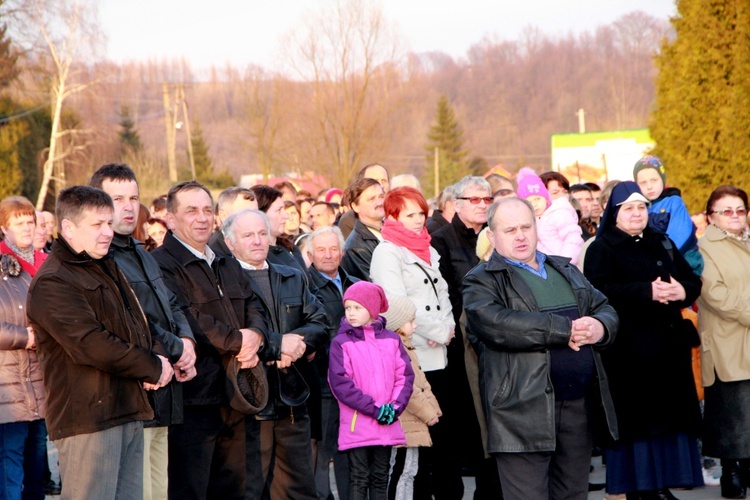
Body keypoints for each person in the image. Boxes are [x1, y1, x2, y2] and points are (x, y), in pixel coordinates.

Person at [463, 196, 619, 500]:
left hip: (577, 406)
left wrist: (599, 328)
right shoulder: (481, 280)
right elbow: (497, 325)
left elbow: (604, 307)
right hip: (521, 412)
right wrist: (565, 329)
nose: (520, 235)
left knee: (573, 495)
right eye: (510, 230)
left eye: (526, 227)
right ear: (492, 237)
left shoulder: (565, 270)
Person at [27, 185, 174, 499]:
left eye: (109, 223)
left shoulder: (107, 265)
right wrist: (151, 366)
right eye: (97, 225)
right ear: (68, 228)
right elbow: (91, 344)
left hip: (128, 407)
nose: (108, 232)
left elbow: (140, 322)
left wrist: (159, 355)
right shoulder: (54, 280)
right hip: (88, 420)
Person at [584, 181, 704, 498]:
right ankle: (641, 489)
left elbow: (691, 279)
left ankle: (663, 484)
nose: (637, 213)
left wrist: (683, 291)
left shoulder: (660, 240)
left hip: (668, 348)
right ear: (615, 213)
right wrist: (645, 291)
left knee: (668, 421)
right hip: (628, 353)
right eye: (629, 208)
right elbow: (598, 293)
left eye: (641, 207)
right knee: (638, 425)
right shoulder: (602, 248)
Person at [151, 180, 268, 499]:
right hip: (194, 399)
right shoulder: (161, 264)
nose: (202, 218)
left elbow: (255, 303)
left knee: (236, 488)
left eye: (207, 210)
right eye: (191, 211)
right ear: (171, 219)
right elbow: (186, 318)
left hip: (237, 393)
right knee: (191, 488)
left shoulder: (224, 260)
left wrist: (256, 335)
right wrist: (238, 341)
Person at [90, 164, 198, 500]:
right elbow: (131, 323)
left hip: (164, 391)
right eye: (117, 197)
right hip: (135, 389)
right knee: (140, 491)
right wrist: (172, 351)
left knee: (159, 489)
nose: (127, 206)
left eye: (133, 198)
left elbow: (171, 304)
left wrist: (187, 342)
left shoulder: (142, 252)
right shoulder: (100, 258)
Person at [223, 209, 327, 499]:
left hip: (293, 400)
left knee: (298, 488)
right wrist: (277, 345)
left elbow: (320, 322)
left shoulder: (292, 276)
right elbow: (232, 335)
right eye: (247, 235)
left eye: (261, 233)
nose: (257, 241)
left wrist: (298, 345)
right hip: (250, 403)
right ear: (230, 243)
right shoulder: (223, 282)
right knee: (251, 489)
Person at [430, 175, 496, 499]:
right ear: (456, 204)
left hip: (492, 347)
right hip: (456, 349)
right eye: (475, 199)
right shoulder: (440, 240)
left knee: (489, 428)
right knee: (454, 429)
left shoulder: (496, 237)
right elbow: (445, 294)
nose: (483, 204)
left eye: (487, 199)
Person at [328, 281, 414, 499]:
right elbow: (340, 383)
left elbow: (404, 377)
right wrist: (375, 409)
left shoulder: (392, 340)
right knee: (359, 476)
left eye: (357, 307)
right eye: (348, 308)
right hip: (359, 422)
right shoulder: (341, 342)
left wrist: (393, 408)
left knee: (380, 475)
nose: (351, 313)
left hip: (386, 421)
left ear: (373, 309)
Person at [697, 185, 750, 498]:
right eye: (725, 210)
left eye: (739, 209)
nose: (734, 216)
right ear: (710, 216)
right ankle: (731, 471)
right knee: (732, 411)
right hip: (726, 341)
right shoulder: (703, 247)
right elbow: (714, 294)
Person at [0, 197, 47, 500]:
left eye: (30, 221)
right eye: (19, 223)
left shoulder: (47, 264)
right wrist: (26, 337)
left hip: (42, 383)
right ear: (4, 228)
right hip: (8, 386)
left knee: (38, 468)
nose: (27, 228)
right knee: (10, 466)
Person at [307, 226, 358, 500]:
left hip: (355, 383)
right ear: (310, 254)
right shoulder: (305, 285)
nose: (328, 255)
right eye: (321, 250)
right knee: (322, 446)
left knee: (348, 447)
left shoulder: (356, 284)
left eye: (333, 249)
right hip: (323, 379)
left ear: (343, 252)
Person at [382, 295, 442, 500]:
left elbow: (423, 383)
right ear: (398, 324)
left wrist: (434, 409)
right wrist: (429, 413)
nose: (415, 325)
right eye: (411, 321)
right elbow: (410, 390)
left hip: (412, 422)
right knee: (402, 472)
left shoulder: (406, 347)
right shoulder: (396, 349)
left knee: (409, 472)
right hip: (405, 423)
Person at [633, 155, 703, 274]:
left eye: (654, 180)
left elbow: (678, 238)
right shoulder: (640, 208)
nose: (649, 186)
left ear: (663, 179)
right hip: (657, 270)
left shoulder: (674, 202)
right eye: (643, 183)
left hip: (684, 267)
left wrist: (655, 263)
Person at [516, 167, 583, 265]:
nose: (534, 204)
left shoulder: (559, 213)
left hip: (565, 267)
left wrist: (565, 263)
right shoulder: (529, 220)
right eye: (529, 201)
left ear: (546, 198)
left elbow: (573, 239)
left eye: (537, 199)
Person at [340, 178, 385, 281]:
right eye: (372, 199)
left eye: (381, 196)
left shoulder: (394, 231)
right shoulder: (355, 248)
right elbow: (373, 286)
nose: (379, 202)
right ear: (355, 207)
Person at [338, 163, 390, 239]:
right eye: (374, 181)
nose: (381, 185)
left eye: (384, 181)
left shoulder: (397, 213)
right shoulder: (349, 220)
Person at [210, 186, 258, 256]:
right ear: (224, 216)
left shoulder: (260, 245)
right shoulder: (214, 255)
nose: (253, 218)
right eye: (244, 213)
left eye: (256, 213)